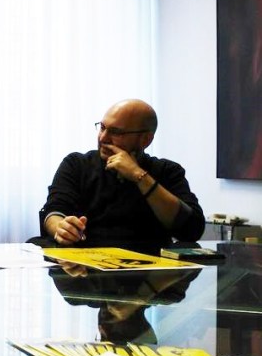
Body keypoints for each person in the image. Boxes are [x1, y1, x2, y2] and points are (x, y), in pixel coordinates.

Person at [41, 99, 205, 252]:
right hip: (84, 262)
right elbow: (54, 211)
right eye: (102, 127)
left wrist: (138, 175)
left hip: (146, 265)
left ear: (145, 139)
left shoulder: (167, 171)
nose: (103, 138)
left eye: (115, 132)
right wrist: (60, 228)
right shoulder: (76, 164)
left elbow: (192, 229)